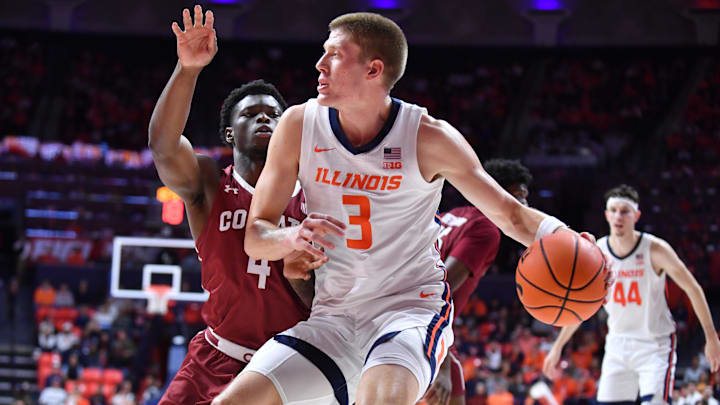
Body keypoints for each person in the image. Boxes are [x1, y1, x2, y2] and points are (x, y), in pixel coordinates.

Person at [217, 11, 600, 405]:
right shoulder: (298, 125)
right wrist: (290, 236)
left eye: (334, 54)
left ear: (373, 69)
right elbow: (256, 236)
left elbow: (510, 213)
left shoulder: (428, 137)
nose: (319, 64)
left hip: (409, 311)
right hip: (334, 317)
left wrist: (565, 237)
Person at [148, 6, 322, 404]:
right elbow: (162, 146)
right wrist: (187, 70)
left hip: (292, 365)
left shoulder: (317, 192)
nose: (265, 119)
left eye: (274, 114)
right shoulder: (209, 183)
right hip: (218, 359)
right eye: (251, 114)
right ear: (230, 131)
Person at [543, 185, 720, 405]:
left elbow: (693, 288)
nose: (619, 216)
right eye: (614, 210)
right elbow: (583, 305)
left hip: (655, 344)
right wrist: (558, 346)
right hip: (617, 343)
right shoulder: (597, 252)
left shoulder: (655, 249)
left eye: (625, 211)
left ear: (636, 215)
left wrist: (711, 337)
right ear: (607, 215)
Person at [424, 159, 533, 405]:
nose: (525, 205)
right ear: (495, 192)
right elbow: (439, 290)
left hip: (419, 323)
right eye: (518, 196)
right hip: (422, 329)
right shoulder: (486, 229)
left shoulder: (453, 215)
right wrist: (440, 362)